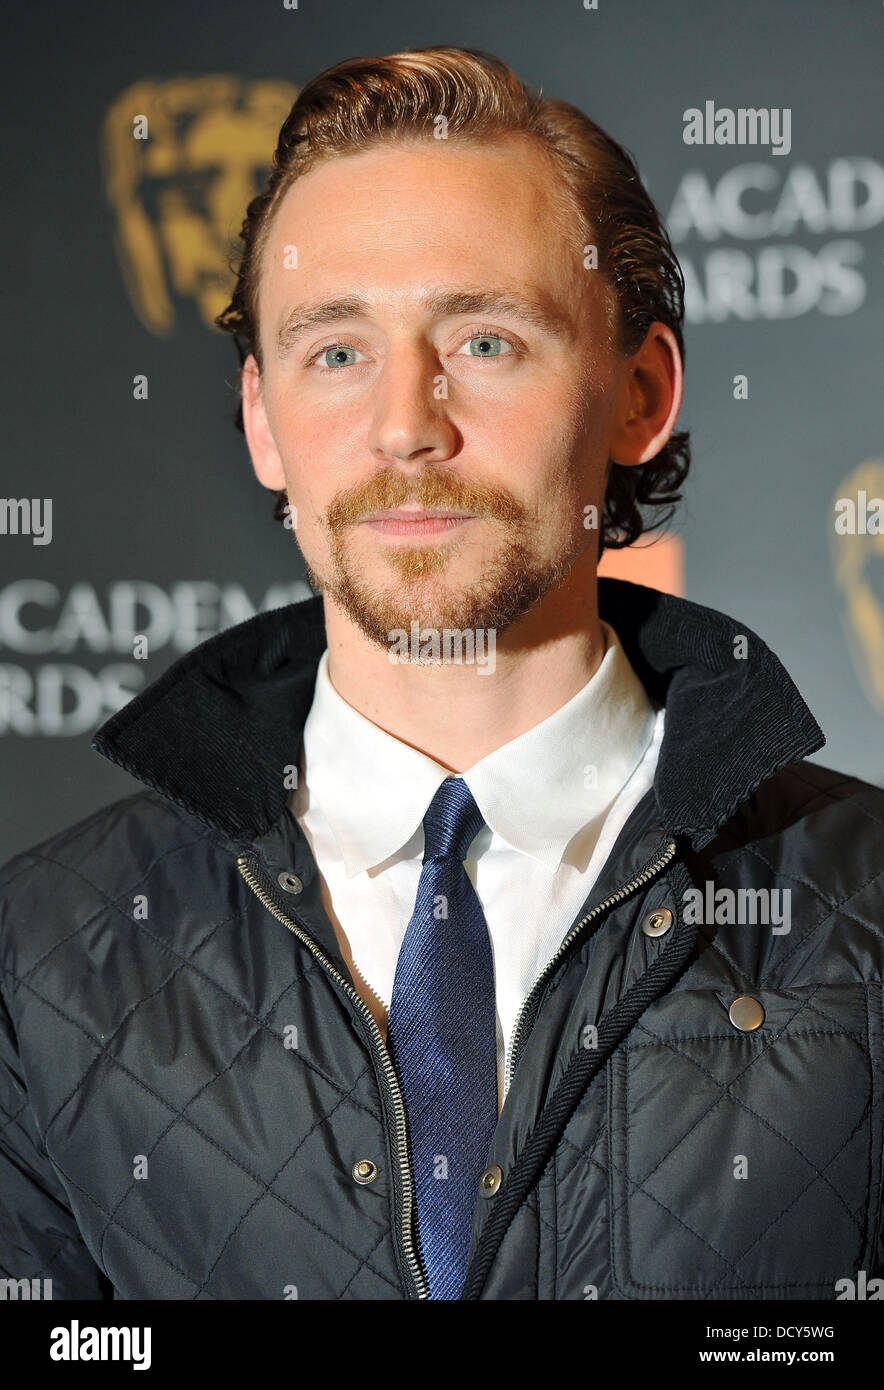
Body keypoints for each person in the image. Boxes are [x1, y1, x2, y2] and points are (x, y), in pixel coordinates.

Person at [1, 46, 882, 1303]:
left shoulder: (864, 909)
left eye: (483, 337)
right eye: (336, 351)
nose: (407, 420)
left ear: (638, 395)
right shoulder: (37, 963)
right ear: (262, 422)